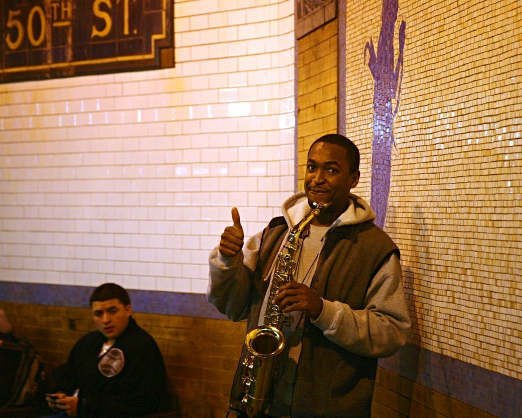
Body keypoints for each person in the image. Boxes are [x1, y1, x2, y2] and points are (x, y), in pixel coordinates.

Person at [208, 133, 411, 417]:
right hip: (259, 400)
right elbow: (231, 306)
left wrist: (322, 310)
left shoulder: (375, 249)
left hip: (327, 407)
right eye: (312, 167)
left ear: (354, 179)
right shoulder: (275, 233)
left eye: (331, 170)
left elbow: (392, 333)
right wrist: (227, 261)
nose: (317, 178)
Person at [44, 283, 168, 417]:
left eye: (113, 311)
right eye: (98, 314)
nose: (106, 320)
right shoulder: (88, 342)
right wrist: (60, 395)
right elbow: (68, 375)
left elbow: (141, 401)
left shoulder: (142, 347)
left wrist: (84, 407)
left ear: (128, 310)